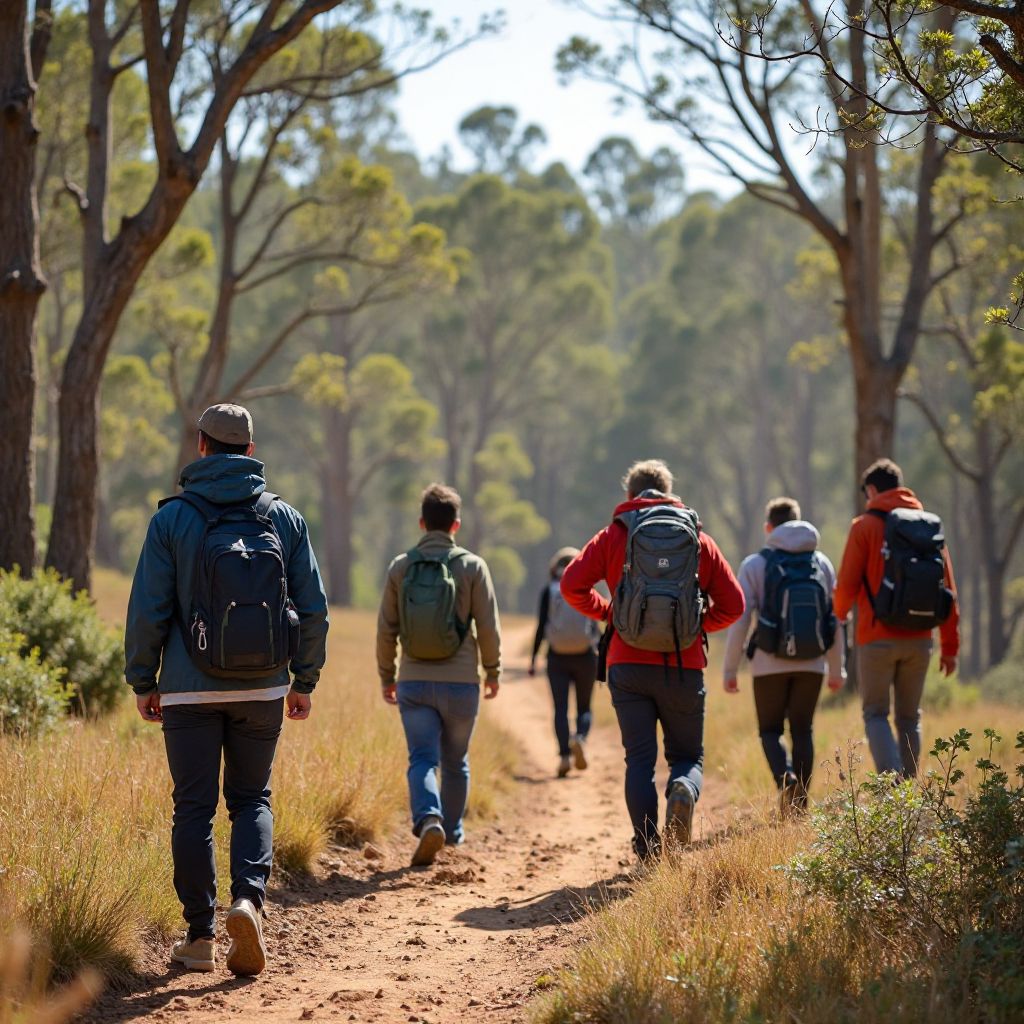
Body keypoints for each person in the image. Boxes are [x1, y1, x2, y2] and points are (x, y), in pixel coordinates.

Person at [125, 403, 329, 977]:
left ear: (201, 446)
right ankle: (248, 902)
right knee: (252, 799)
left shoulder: (171, 520)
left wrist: (144, 679)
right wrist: (303, 680)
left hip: (188, 692)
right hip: (263, 688)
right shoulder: (284, 519)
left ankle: (199, 936)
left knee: (192, 808)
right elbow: (313, 609)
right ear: (251, 449)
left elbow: (148, 609)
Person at [561, 459, 744, 861]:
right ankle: (683, 789)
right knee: (687, 757)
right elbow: (735, 604)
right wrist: (694, 625)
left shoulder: (614, 534)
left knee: (639, 760)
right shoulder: (697, 537)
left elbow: (571, 585)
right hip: (684, 664)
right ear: (669, 491)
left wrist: (612, 614)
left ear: (630, 495)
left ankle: (646, 849)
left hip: (627, 665)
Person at [376, 483, 501, 866]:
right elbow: (488, 626)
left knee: (422, 759)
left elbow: (386, 629)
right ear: (456, 525)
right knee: (456, 762)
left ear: (421, 522)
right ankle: (453, 833)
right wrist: (492, 671)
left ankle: (429, 818)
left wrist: (387, 676)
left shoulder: (401, 566)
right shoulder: (473, 566)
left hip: (414, 682)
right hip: (462, 682)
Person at [834, 458, 960, 777]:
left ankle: (894, 794)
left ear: (872, 489)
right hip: (920, 640)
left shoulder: (863, 527)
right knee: (909, 718)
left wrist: (838, 615)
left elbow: (846, 584)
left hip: (875, 638)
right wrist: (950, 647)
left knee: (875, 714)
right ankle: (908, 792)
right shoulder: (929, 528)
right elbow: (948, 590)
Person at [722, 497, 845, 811]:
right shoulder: (822, 562)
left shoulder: (755, 564)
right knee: (803, 729)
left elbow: (742, 619)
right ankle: (800, 803)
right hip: (813, 663)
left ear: (769, 528)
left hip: (767, 662)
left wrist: (730, 669)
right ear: (798, 522)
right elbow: (834, 620)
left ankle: (784, 778)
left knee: (770, 730)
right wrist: (836, 668)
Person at [529, 547, 601, 778]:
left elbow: (541, 626)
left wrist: (533, 658)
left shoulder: (549, 591)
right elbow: (596, 625)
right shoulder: (586, 588)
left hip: (557, 657)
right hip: (586, 656)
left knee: (560, 709)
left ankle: (564, 757)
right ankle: (579, 738)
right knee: (584, 707)